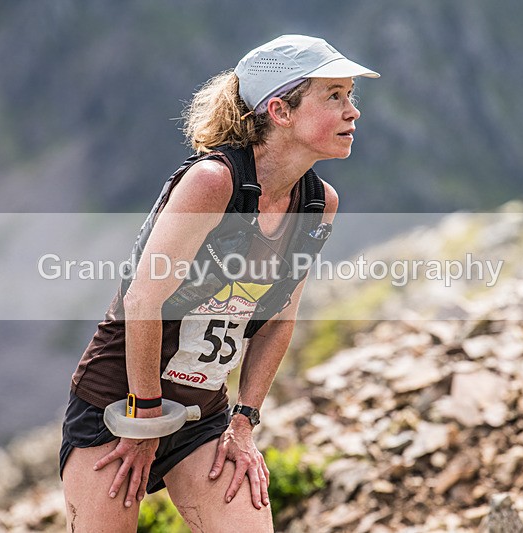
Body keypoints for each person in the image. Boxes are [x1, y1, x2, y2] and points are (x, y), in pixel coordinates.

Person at [60, 34, 378, 532]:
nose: (352, 111)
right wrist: (145, 415)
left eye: (350, 95)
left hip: (203, 412)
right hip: (118, 402)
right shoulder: (213, 182)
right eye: (333, 95)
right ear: (280, 110)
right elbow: (144, 300)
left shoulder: (319, 204)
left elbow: (279, 320)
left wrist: (245, 421)